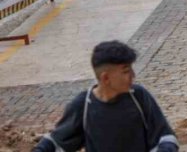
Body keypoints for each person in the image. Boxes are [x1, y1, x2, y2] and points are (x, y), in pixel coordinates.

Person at [33, 41, 178, 152]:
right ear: (106, 78)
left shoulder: (139, 97)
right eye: (126, 71)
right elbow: (56, 141)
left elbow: (165, 137)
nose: (133, 76)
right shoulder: (84, 105)